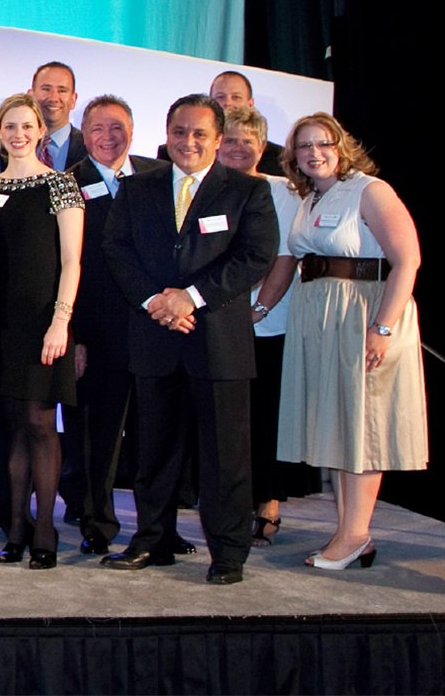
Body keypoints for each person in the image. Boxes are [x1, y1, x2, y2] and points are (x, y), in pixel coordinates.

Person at [102, 94, 277, 585]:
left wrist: (190, 298)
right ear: (167, 133)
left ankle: (227, 552)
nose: (188, 142)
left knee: (225, 456)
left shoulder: (246, 192)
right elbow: (116, 249)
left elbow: (255, 256)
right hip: (156, 335)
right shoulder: (137, 188)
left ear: (218, 140)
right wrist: (156, 302)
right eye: (180, 131)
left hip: (217, 343)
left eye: (200, 133)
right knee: (153, 449)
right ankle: (152, 540)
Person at [278, 113, 425, 570]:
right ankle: (349, 532)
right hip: (324, 321)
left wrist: (382, 328)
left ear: (342, 147)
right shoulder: (309, 197)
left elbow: (407, 260)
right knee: (340, 425)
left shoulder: (370, 190)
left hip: (363, 315)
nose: (314, 153)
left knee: (361, 425)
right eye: (304, 146)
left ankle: (355, 533)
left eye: (323, 143)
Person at [0, 94, 84, 569]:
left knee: (40, 423)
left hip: (42, 321)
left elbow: (72, 261)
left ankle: (45, 528)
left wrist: (61, 321)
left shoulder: (61, 185)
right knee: (11, 426)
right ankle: (15, 525)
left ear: (41, 130)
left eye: (26, 126)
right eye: (10, 126)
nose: (18, 134)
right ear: (0, 130)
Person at [64, 95, 167, 556]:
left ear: (132, 129)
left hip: (155, 329)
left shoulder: (158, 177)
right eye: (98, 129)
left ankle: (160, 526)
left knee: (157, 434)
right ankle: (96, 521)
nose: (108, 137)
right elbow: (65, 266)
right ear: (84, 136)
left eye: (117, 127)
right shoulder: (68, 185)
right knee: (97, 435)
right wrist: (76, 336)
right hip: (97, 331)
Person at [215, 107, 306, 547]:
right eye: (228, 140)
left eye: (245, 141)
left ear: (262, 147)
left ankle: (268, 501)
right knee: (228, 419)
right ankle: (230, 503)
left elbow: (285, 258)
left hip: (266, 322)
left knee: (265, 414)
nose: (236, 148)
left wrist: (260, 309)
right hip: (217, 322)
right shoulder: (207, 186)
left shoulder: (281, 191)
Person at [156, 71, 285, 175]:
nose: (227, 103)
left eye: (236, 97)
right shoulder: (174, 151)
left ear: (250, 104)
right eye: (220, 97)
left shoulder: (277, 158)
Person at [28, 62, 87, 171]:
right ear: (30, 95)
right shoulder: (5, 146)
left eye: (62, 91)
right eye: (46, 89)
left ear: (73, 99)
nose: (53, 98)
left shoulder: (91, 148)